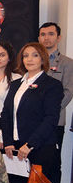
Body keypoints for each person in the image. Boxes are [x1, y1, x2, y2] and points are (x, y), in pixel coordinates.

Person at [1, 42, 64, 183]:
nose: (29, 59)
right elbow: (5, 114)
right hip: (16, 148)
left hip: (40, 148)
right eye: (25, 56)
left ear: (42, 59)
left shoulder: (52, 85)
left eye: (35, 55)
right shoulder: (16, 84)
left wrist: (30, 144)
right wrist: (8, 142)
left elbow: (51, 119)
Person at [38, 22, 73, 152]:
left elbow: (68, 92)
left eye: (51, 34)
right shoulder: (32, 61)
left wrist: (49, 111)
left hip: (54, 121)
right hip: (33, 120)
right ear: (38, 38)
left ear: (58, 38)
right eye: (43, 34)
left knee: (52, 158)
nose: (46, 38)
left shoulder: (67, 63)